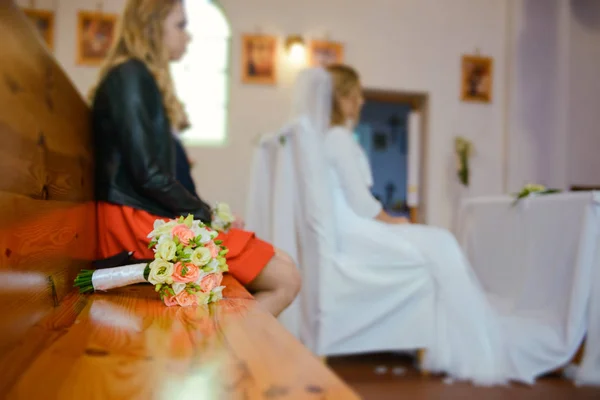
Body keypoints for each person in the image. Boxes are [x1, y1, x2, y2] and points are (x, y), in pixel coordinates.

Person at [291, 64, 573, 385]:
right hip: (355, 230)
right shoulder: (339, 138)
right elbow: (360, 202)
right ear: (340, 99)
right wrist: (392, 221)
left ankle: (449, 341)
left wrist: (391, 222)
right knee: (441, 241)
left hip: (346, 230)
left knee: (438, 241)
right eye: (355, 95)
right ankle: (468, 343)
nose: (361, 101)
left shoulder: (325, 139)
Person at [89, 0, 300, 317]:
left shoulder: (137, 77)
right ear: (152, 26)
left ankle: (225, 348)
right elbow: (148, 174)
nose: (187, 36)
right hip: (133, 224)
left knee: (284, 265)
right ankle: (226, 354)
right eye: (180, 25)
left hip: (143, 214)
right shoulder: (130, 75)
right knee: (286, 279)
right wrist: (207, 215)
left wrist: (205, 214)